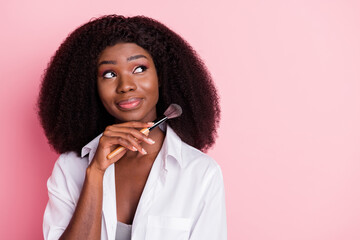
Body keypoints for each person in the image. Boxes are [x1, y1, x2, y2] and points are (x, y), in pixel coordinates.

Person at [38, 15, 226, 240]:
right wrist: (95, 173)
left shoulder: (200, 173)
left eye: (139, 69)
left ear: (161, 77)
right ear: (91, 87)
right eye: (109, 74)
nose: (126, 86)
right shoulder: (70, 168)